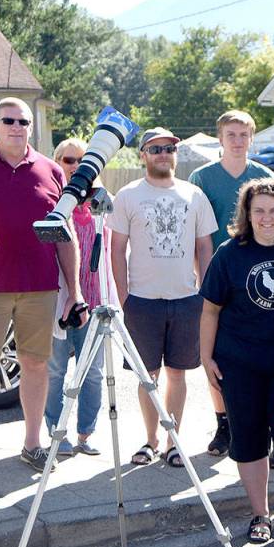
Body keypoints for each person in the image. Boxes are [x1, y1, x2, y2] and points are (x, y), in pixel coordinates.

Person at [0, 97, 83, 473]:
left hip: (39, 286)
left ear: (32, 127)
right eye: (8, 120)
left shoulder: (50, 171)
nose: (16, 127)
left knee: (35, 364)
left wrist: (73, 292)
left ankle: (32, 444)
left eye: (23, 121)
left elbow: (65, 234)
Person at [199, 178, 274, 543]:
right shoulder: (229, 253)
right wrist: (206, 358)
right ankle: (260, 515)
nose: (266, 218)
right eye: (259, 211)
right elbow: (210, 310)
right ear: (247, 215)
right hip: (241, 364)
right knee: (249, 440)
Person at [109, 127, 217, 468]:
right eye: (155, 149)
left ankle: (174, 441)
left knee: (178, 374)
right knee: (147, 376)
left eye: (169, 148)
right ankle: (151, 439)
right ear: (143, 154)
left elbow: (204, 247)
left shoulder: (193, 195)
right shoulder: (127, 195)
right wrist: (124, 298)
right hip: (142, 300)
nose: (162, 154)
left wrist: (206, 295)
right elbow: (116, 249)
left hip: (186, 299)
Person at [189, 110, 274, 458]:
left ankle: (268, 428)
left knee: (261, 355)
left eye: (243, 134)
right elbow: (193, 230)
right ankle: (224, 423)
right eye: (231, 134)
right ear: (220, 138)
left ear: (251, 138)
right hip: (216, 276)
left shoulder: (265, 176)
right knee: (219, 354)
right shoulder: (202, 177)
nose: (237, 140)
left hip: (257, 278)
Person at [44, 138, 117, 457]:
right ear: (57, 162)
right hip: (59, 300)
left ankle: (86, 433)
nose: (75, 166)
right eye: (68, 160)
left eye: (82, 161)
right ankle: (56, 433)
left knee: (92, 372)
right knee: (55, 371)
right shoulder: (53, 202)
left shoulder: (103, 201)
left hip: (95, 298)